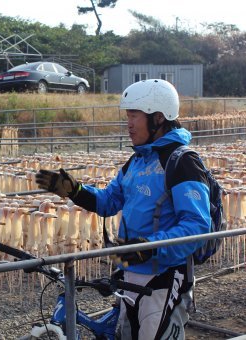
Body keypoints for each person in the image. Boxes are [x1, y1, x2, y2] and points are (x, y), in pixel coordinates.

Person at [35, 79, 211, 339]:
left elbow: (197, 226)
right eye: (127, 115)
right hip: (130, 274)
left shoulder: (182, 162)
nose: (128, 124)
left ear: (159, 118)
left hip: (164, 276)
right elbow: (109, 201)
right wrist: (76, 191)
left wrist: (149, 247)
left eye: (134, 115)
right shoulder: (138, 161)